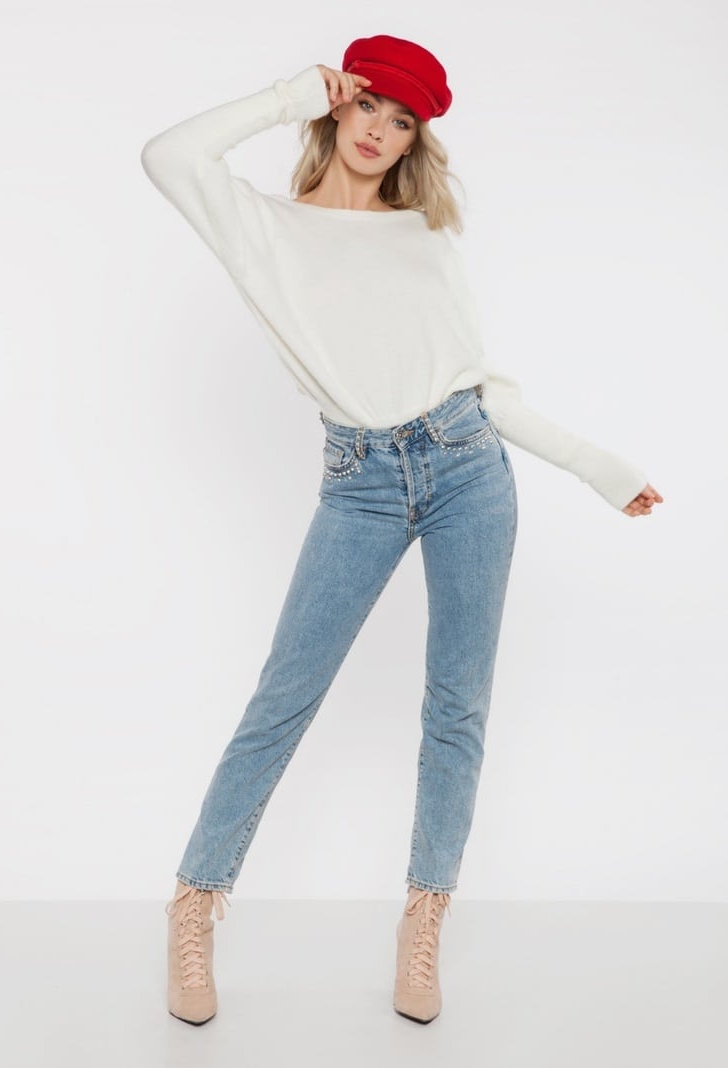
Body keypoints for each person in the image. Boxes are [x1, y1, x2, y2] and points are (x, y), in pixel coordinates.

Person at [140, 33, 663, 1028]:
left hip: (469, 467)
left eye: (402, 120)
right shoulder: (261, 226)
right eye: (368, 104)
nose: (379, 130)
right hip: (360, 483)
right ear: (337, 105)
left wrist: (601, 469)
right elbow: (166, 155)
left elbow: (487, 391)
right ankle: (194, 908)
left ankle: (423, 923)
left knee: (455, 710)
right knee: (283, 699)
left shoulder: (424, 239)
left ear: (417, 140)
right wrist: (290, 91)